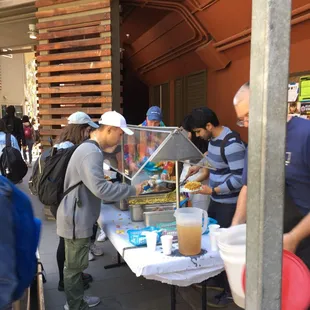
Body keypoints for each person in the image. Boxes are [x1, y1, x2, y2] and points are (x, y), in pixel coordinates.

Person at [56, 111, 144, 310]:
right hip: (76, 217)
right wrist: (132, 190)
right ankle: (75, 305)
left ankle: (77, 300)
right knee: (74, 267)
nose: (121, 138)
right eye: (120, 134)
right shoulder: (91, 152)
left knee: (75, 266)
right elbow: (101, 189)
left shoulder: (92, 148)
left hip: (78, 213)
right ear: (110, 130)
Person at [231, 82, 310, 269]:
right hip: (273, 241)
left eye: (249, 115)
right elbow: (248, 186)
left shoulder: (305, 134)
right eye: (242, 119)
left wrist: (294, 237)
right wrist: (235, 228)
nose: (247, 124)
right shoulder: (256, 144)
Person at [186, 107, 246, 306]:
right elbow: (212, 158)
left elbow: (240, 179)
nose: (197, 135)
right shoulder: (212, 140)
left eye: (198, 131)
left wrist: (213, 191)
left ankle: (231, 291)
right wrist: (199, 165)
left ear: (209, 126)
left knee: (228, 247)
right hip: (216, 201)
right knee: (215, 243)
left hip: (229, 204)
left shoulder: (232, 145)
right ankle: (218, 280)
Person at [52, 112, 99, 293]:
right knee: (66, 242)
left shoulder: (61, 143)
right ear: (81, 129)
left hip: (60, 199)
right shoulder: (70, 148)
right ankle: (68, 281)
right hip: (66, 201)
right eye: (87, 130)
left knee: (65, 241)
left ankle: (69, 278)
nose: (89, 134)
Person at [179, 115, 210, 211]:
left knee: (199, 215)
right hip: (185, 183)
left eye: (184, 131)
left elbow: (205, 173)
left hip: (199, 187)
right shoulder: (183, 143)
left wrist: (191, 185)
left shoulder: (204, 146)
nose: (182, 133)